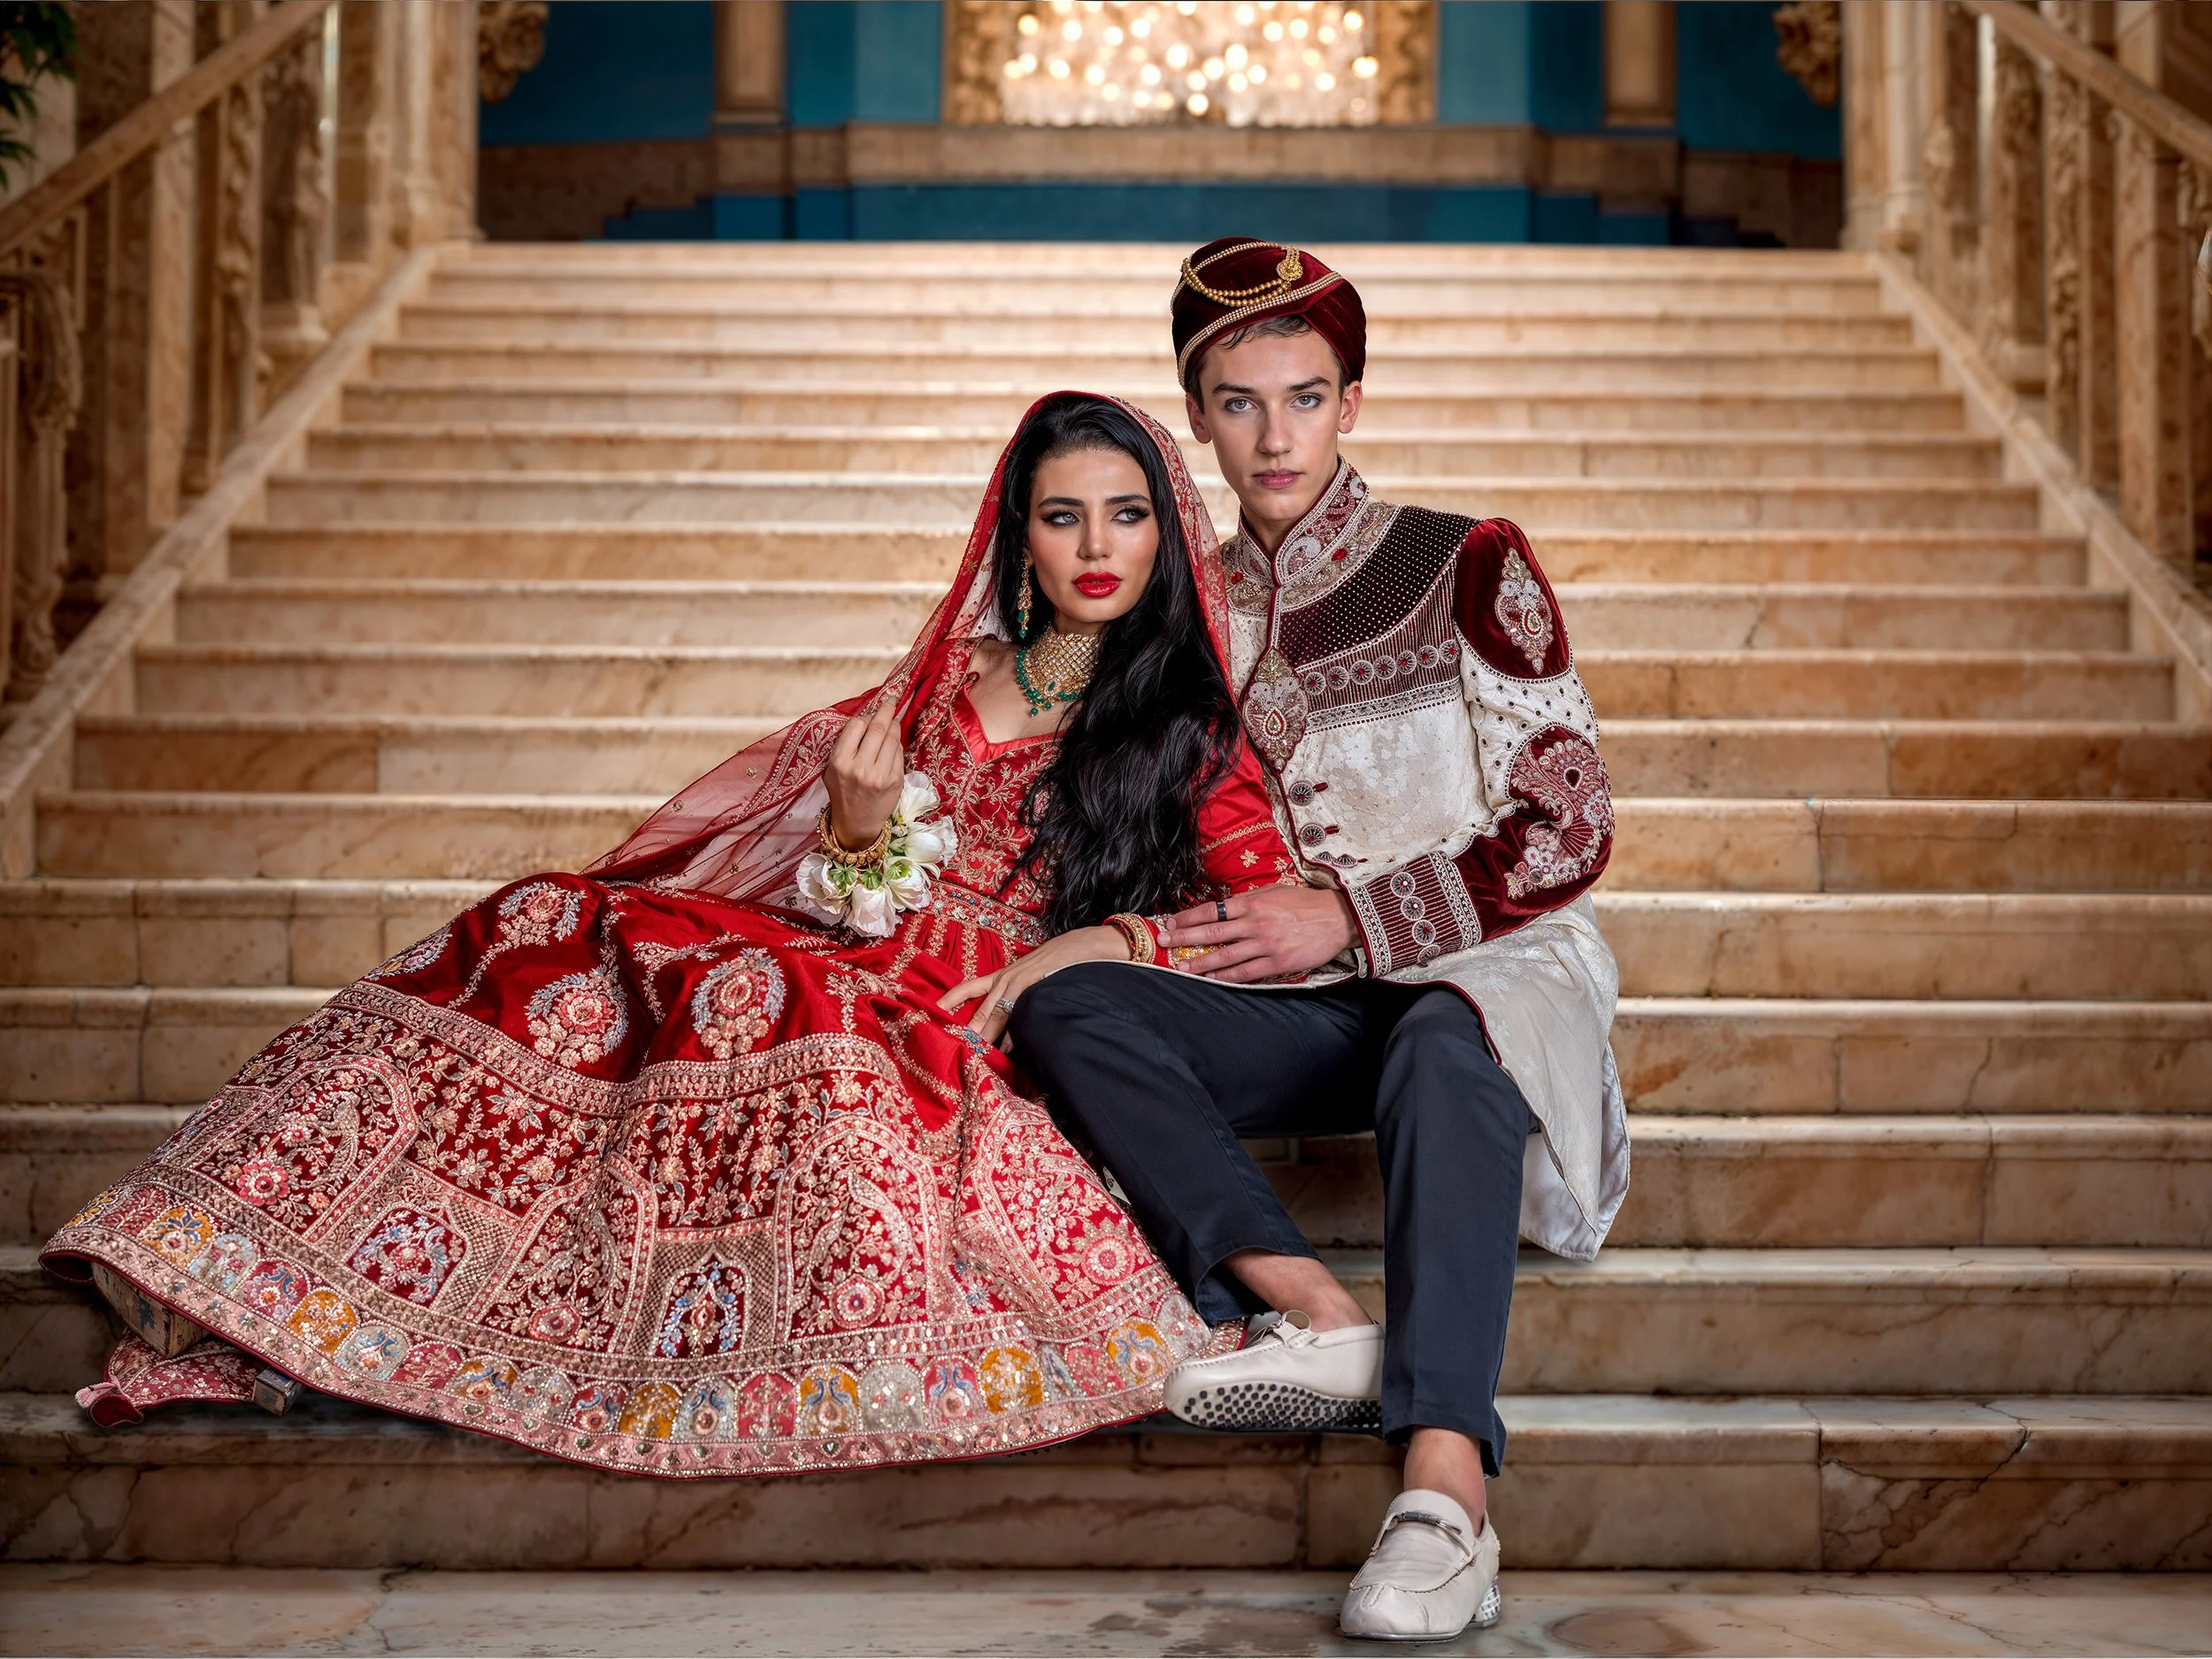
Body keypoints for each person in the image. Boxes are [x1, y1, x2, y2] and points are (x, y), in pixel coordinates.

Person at [42, 393, 1308, 1478]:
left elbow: (1253, 927)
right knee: (550, 915)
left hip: (988, 1012)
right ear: (1016, 533)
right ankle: (261, 1239)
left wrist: (1078, 951)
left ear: (1167, 532)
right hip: (859, 950)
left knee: (771, 997)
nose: (1095, 546)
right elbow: (856, 884)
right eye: (1063, 514)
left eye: (1125, 514)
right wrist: (861, 820)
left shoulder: (1190, 730)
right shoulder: (945, 677)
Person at [1012, 241, 1629, 1640]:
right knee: (1075, 1011)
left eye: (1303, 397)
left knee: (1440, 1033)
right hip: (1301, 1011)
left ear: (1352, 400)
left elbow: (1567, 822)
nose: (1273, 436)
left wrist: (1352, 916)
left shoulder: (1466, 560)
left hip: (1479, 973)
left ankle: (1445, 1489)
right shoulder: (1179, 610)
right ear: (1197, 412)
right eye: (1237, 403)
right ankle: (1318, 1314)